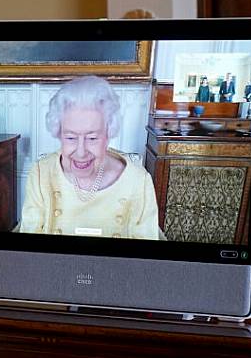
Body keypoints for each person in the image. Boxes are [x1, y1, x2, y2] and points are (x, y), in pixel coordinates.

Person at [19, 76, 161, 240]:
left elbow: (144, 258)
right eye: (71, 138)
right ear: (59, 133)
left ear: (108, 134)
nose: (81, 152)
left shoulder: (138, 181)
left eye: (92, 138)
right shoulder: (40, 174)